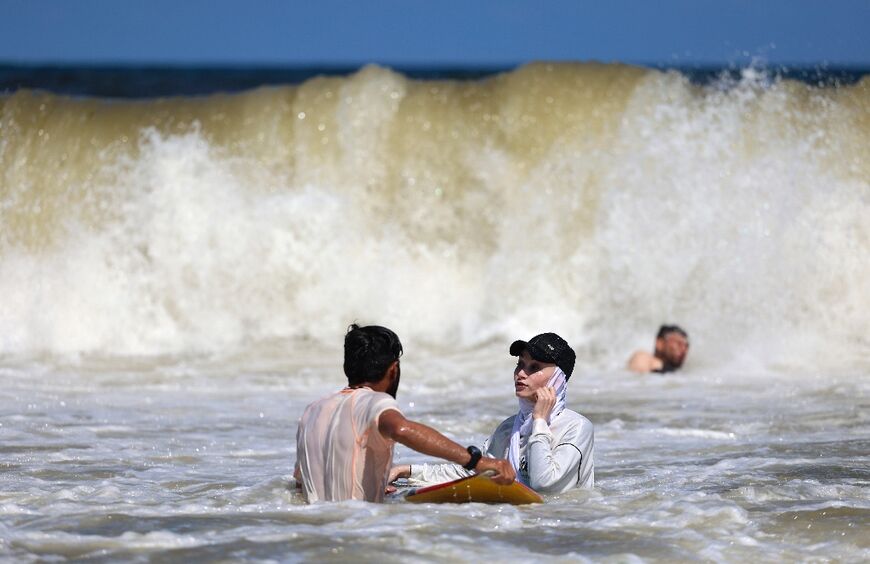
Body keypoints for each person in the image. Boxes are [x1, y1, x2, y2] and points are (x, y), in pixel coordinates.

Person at [293, 323, 515, 503]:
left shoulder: (313, 411)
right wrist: (476, 461)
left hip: (318, 533)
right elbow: (401, 429)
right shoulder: (376, 401)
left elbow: (300, 479)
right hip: (359, 532)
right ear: (393, 369)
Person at [390, 333, 594, 493]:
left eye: (534, 367)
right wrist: (406, 471)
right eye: (520, 364)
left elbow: (544, 483)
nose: (521, 374)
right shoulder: (509, 428)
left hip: (563, 534)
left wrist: (539, 421)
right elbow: (473, 472)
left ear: (558, 379)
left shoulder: (576, 427)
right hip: (522, 528)